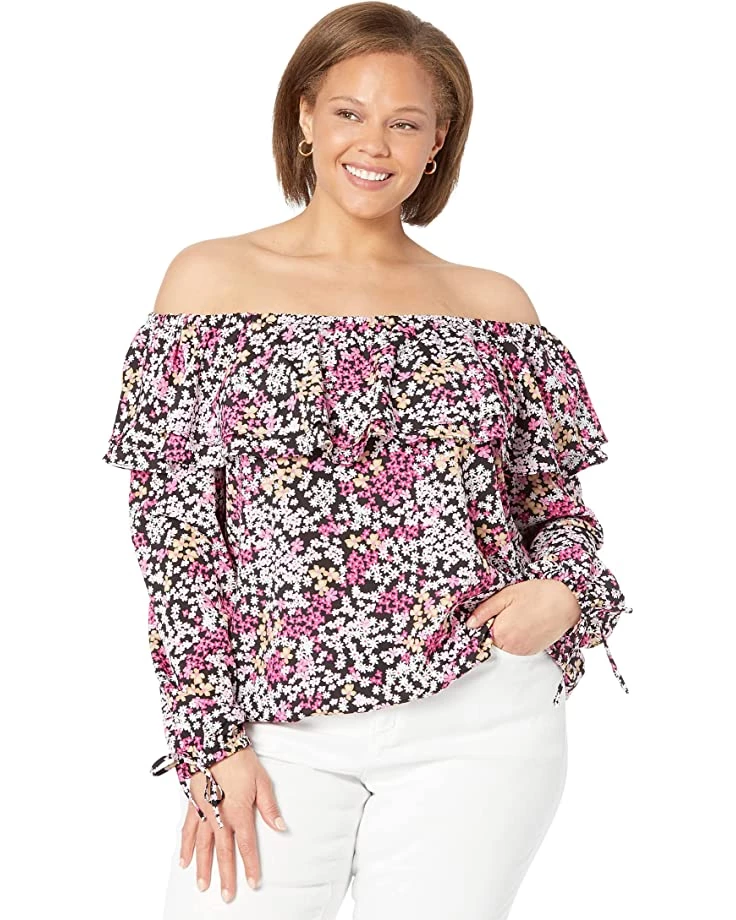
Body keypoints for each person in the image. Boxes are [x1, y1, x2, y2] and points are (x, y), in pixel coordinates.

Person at [102, 3, 633, 917]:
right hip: (276, 724)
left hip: (480, 717)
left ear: (439, 142)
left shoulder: (492, 307)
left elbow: (555, 508)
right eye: (349, 112)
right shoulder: (208, 285)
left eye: (405, 122)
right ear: (305, 115)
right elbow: (177, 543)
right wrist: (208, 738)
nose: (374, 144)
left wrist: (565, 591)